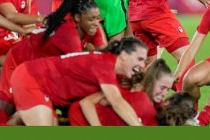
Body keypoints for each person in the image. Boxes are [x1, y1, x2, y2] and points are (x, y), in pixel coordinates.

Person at [0, 0, 107, 115]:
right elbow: (78, 73)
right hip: (19, 60)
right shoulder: (68, 34)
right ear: (77, 18)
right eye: (92, 19)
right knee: (3, 115)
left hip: (41, 68)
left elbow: (103, 57)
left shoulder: (92, 27)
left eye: (98, 19)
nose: (96, 23)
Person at [9, 37, 147, 126]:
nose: (142, 65)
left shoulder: (108, 66)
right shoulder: (105, 65)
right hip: (31, 79)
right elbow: (117, 103)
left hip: (36, 82)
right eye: (139, 59)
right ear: (123, 55)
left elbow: (87, 102)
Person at [68, 59, 175, 126]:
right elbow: (86, 103)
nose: (164, 93)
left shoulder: (155, 101)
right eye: (162, 88)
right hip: (83, 117)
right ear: (151, 81)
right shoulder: (125, 89)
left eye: (168, 89)